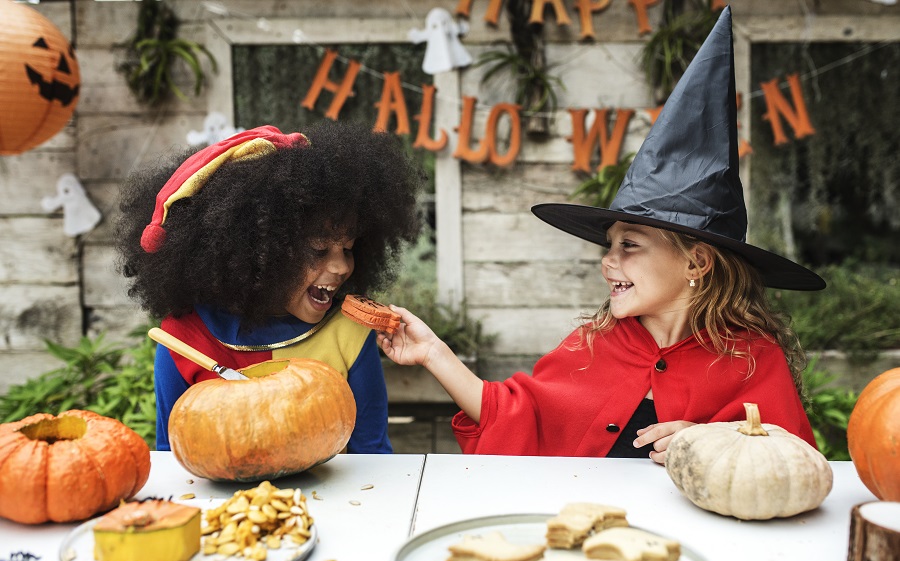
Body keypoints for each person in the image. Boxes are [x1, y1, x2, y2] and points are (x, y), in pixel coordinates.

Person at [377, 6, 823, 464]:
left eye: (629, 245)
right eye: (609, 245)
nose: (608, 260)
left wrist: (710, 443)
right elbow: (515, 413)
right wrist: (433, 351)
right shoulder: (594, 343)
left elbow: (790, 465)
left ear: (696, 263)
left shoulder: (754, 359)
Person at [115, 120, 423, 453]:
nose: (341, 266)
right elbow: (172, 458)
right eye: (319, 249)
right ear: (256, 254)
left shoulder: (349, 334)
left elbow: (375, 457)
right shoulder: (183, 338)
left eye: (347, 249)